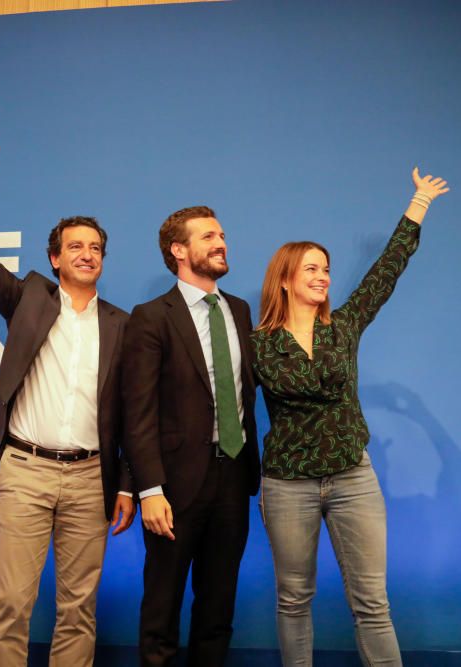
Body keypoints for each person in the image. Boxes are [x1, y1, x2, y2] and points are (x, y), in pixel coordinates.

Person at [0, 124, 136, 667]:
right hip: (26, 470)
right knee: (10, 604)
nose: (87, 254)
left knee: (79, 610)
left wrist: (125, 485)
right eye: (75, 247)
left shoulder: (124, 325)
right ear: (55, 258)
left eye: (95, 248)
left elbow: (129, 416)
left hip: (90, 479)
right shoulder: (28, 298)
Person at [250, 167, 450, 666]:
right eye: (311, 269)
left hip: (352, 478)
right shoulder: (259, 344)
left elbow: (386, 271)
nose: (323, 277)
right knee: (294, 600)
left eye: (326, 269)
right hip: (287, 484)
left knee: (373, 604)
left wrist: (418, 204)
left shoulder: (344, 326)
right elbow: (287, 389)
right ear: (287, 280)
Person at [122, 206, 261, 666]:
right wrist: (149, 489)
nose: (221, 243)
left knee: (218, 610)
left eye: (222, 234)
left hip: (234, 481)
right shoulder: (151, 317)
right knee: (162, 610)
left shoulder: (239, 310)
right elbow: (138, 413)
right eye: (207, 237)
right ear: (178, 251)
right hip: (174, 488)